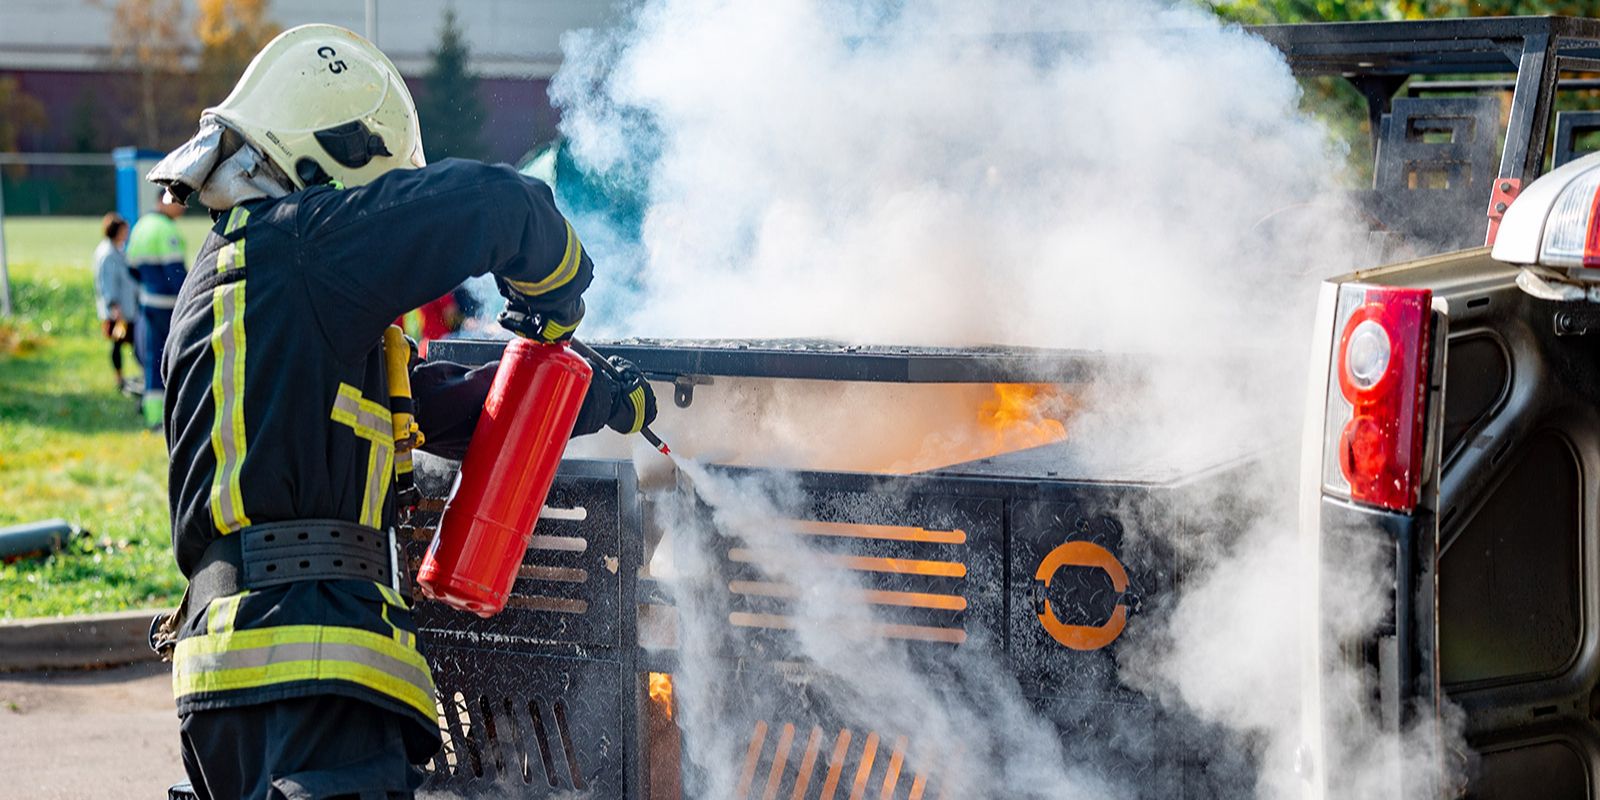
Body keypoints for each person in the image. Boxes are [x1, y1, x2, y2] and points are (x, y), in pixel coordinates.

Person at [143, 24, 658, 800]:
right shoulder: (304, 249)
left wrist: (595, 394)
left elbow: (436, 404)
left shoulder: (240, 286)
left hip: (226, 674)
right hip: (309, 659)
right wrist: (557, 287)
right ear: (336, 158)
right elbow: (497, 205)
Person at [126, 188, 189, 428]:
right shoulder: (167, 230)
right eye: (178, 202)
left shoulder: (140, 226)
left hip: (147, 303)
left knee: (152, 359)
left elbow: (131, 268)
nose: (182, 207)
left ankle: (153, 416)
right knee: (172, 360)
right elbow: (176, 274)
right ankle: (171, 416)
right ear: (162, 203)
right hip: (168, 307)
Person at [91, 212, 140, 395]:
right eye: (124, 230)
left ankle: (134, 377)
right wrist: (114, 306)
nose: (127, 234)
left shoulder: (118, 250)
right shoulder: (107, 254)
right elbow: (106, 282)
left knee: (132, 342)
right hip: (118, 310)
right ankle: (119, 379)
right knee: (118, 344)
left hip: (128, 307)